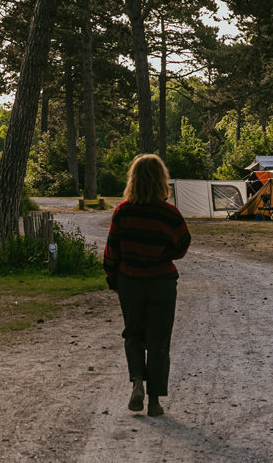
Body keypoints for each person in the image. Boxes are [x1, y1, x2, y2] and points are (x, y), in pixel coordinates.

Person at [103, 154, 190, 418]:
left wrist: (113, 280)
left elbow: (111, 251)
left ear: (134, 179)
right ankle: (154, 401)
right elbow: (182, 246)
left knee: (133, 334)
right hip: (162, 282)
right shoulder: (170, 214)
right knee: (159, 341)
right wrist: (161, 255)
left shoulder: (123, 211)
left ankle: (138, 381)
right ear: (161, 180)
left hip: (130, 281)